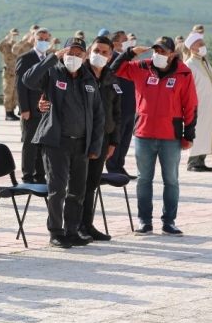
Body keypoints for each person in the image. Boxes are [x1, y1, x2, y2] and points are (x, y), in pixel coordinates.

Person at [110, 36, 198, 237]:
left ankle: (169, 222)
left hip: (170, 136)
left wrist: (188, 134)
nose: (158, 54)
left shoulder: (184, 73)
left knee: (171, 180)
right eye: (156, 50)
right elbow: (113, 70)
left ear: (172, 54)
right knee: (144, 180)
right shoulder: (141, 67)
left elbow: (190, 105)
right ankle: (145, 221)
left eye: (163, 51)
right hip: (144, 134)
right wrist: (130, 53)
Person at [22, 37, 104, 248]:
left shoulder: (89, 80)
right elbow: (28, 80)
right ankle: (56, 232)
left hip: (81, 144)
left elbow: (98, 115)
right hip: (56, 142)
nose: (74, 57)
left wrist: (95, 146)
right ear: (63, 53)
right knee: (57, 189)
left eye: (78, 54)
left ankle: (72, 230)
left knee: (78, 190)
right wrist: (52, 58)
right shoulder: (53, 73)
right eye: (70, 52)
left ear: (85, 56)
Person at [80, 36, 120, 241]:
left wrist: (114, 141)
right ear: (89, 51)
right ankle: (75, 225)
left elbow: (117, 111)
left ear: (111, 55)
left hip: (103, 138)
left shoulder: (111, 78)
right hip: (80, 137)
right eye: (97, 50)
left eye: (105, 52)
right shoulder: (78, 73)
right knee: (78, 182)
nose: (100, 55)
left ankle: (87, 225)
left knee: (92, 182)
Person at [15, 28, 51, 184]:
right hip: (31, 108)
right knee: (30, 143)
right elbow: (20, 85)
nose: (43, 41)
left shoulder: (50, 58)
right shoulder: (26, 58)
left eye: (46, 39)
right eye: (40, 38)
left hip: (45, 109)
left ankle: (40, 174)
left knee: (42, 142)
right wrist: (24, 109)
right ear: (33, 40)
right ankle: (28, 175)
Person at [184, 32, 212, 172]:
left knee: (206, 132)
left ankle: (201, 161)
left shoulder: (204, 62)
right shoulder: (189, 64)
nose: (203, 46)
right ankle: (193, 162)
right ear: (192, 47)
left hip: (208, 106)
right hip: (197, 106)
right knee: (197, 132)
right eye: (200, 44)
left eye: (203, 43)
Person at [106, 30, 137, 178]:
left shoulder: (127, 59)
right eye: (124, 40)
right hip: (120, 105)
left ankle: (120, 165)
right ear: (116, 43)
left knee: (126, 139)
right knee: (117, 138)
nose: (127, 42)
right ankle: (113, 167)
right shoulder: (113, 58)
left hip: (130, 105)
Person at [0, 28, 20, 121]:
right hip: (8, 73)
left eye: (16, 35)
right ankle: (8, 112)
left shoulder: (18, 46)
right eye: (13, 35)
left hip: (16, 72)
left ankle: (12, 112)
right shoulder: (6, 45)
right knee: (8, 93)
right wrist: (6, 39)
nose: (15, 37)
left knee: (14, 94)